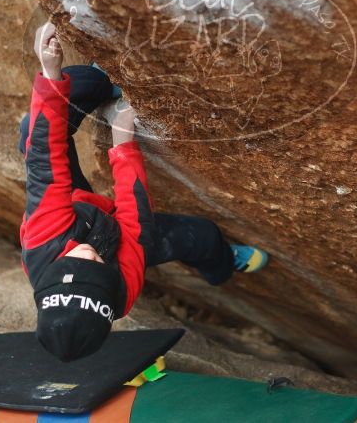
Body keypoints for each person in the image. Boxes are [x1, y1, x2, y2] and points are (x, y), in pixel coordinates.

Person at [18, 22, 268, 361]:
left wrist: (50, 72)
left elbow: (44, 167)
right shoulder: (119, 291)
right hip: (119, 234)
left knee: (33, 131)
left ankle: (102, 80)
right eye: (100, 268)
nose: (93, 256)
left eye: (80, 263)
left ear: (52, 276)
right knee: (202, 236)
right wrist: (123, 146)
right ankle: (222, 267)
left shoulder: (41, 241)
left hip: (74, 211)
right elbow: (136, 224)